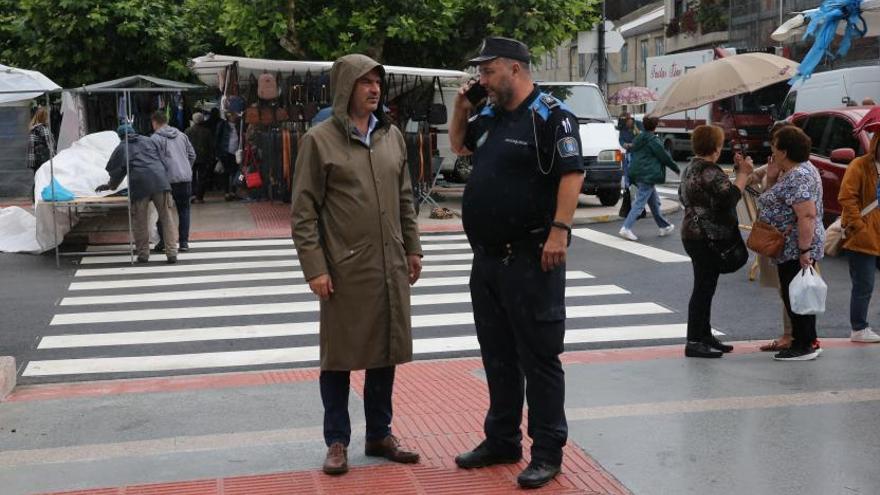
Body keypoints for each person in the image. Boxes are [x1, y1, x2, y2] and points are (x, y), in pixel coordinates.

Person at [449, 36, 585, 489]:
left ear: (514, 68)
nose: (481, 79)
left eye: (487, 71)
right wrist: (461, 107)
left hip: (531, 257)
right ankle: (502, 439)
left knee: (540, 357)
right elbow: (461, 148)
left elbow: (572, 173)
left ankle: (547, 451)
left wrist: (559, 231)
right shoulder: (489, 114)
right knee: (497, 356)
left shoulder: (551, 115)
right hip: (487, 261)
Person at [290, 54, 423, 476]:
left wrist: (413, 248)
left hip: (389, 264)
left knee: (385, 350)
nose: (374, 89)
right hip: (344, 269)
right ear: (346, 87)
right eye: (364, 82)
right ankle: (337, 440)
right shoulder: (319, 140)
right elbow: (303, 212)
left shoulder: (392, 137)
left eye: (377, 82)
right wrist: (315, 268)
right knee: (339, 357)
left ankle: (380, 433)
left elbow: (405, 198)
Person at [679, 125, 752, 358]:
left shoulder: (691, 168)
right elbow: (729, 198)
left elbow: (688, 196)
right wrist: (742, 175)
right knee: (703, 287)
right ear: (716, 147)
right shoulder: (710, 171)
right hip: (707, 236)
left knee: (705, 285)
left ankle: (704, 334)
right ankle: (694, 340)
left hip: (692, 233)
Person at [756, 126, 825, 361]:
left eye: (774, 145)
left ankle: (803, 345)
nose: (771, 149)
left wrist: (804, 250)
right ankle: (807, 340)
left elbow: (806, 215)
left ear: (784, 151)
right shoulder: (799, 171)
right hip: (791, 246)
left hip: (796, 246)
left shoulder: (799, 176)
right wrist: (774, 177)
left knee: (793, 294)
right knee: (798, 293)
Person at [95, 124, 178, 264]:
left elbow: (117, 172)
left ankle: (143, 255)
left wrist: (110, 186)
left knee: (140, 220)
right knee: (166, 218)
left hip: (140, 185)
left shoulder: (122, 147)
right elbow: (163, 160)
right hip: (160, 181)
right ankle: (172, 253)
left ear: (120, 136)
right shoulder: (149, 140)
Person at [838, 113, 880, 343]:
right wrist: (858, 225)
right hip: (862, 236)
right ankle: (859, 327)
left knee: (866, 284)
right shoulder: (860, 165)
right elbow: (847, 197)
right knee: (864, 284)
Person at [618, 116, 679, 241]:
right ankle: (626, 228)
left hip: (637, 172)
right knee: (640, 203)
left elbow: (632, 148)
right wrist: (676, 168)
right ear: (655, 126)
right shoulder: (653, 140)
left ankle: (664, 226)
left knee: (654, 202)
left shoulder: (639, 137)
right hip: (648, 175)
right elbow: (664, 157)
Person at [150, 111, 195, 253]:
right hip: (185, 178)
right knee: (184, 210)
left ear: (155, 122)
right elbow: (192, 155)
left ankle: (164, 241)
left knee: (164, 212)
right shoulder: (182, 135)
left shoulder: (155, 139)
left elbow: (153, 161)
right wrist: (186, 168)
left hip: (166, 180)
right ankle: (184, 242)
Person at [184, 112, 215, 204]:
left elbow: (184, 145)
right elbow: (211, 146)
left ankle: (192, 195)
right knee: (202, 177)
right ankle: (199, 197)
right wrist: (211, 157)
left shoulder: (187, 131)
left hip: (190, 158)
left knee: (191, 177)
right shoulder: (207, 131)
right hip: (203, 158)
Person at [215, 111, 241, 201]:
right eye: (232, 115)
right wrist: (218, 154)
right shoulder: (223, 125)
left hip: (237, 153)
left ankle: (234, 191)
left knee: (236, 173)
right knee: (226, 173)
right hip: (225, 152)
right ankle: (227, 192)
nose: (234, 117)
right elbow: (217, 139)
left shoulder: (239, 125)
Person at [27, 106, 55, 177]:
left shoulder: (33, 129)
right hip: (44, 159)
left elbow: (31, 147)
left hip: (36, 160)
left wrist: (31, 162)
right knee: (46, 178)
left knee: (38, 178)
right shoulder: (43, 129)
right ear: (44, 117)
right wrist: (55, 156)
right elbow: (50, 145)